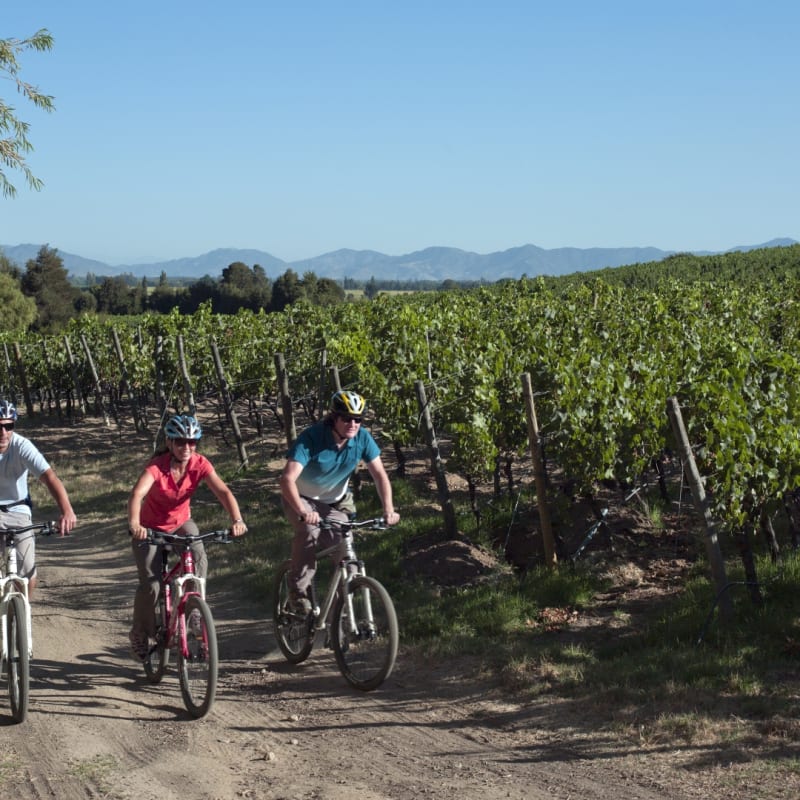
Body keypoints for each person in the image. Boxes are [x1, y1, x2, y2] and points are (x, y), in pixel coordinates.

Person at [127, 413, 247, 661]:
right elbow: (137, 494)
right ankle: (139, 632)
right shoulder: (157, 467)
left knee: (198, 552)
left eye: (192, 442)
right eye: (181, 442)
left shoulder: (200, 464)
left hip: (180, 523)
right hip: (150, 528)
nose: (187, 447)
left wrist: (237, 520)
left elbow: (223, 491)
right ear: (170, 443)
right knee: (152, 585)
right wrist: (135, 524)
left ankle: (195, 608)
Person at [279, 389, 400, 613]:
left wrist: (388, 510)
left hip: (334, 502)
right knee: (309, 530)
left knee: (346, 550)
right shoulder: (312, 438)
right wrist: (302, 511)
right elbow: (286, 480)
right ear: (334, 418)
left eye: (358, 419)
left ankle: (336, 614)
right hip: (300, 497)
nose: (353, 424)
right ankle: (298, 592)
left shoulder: (362, 438)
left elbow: (380, 476)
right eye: (347, 418)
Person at [0, 399, 77, 595]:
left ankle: (20, 612)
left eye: (9, 426)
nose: (3, 432)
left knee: (27, 573)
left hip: (18, 511)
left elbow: (49, 477)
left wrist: (67, 510)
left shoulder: (21, 446)